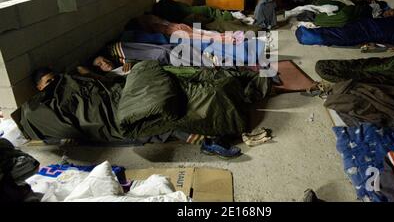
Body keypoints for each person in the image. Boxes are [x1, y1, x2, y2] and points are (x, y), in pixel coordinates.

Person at [31, 67, 242, 159]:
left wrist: (87, 74)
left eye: (55, 77)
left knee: (171, 99)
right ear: (40, 88)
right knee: (153, 118)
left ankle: (212, 123)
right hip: (108, 113)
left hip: (117, 93)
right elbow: (72, 120)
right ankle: (205, 141)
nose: (55, 82)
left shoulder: (71, 81)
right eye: (49, 82)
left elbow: (106, 83)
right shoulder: (47, 105)